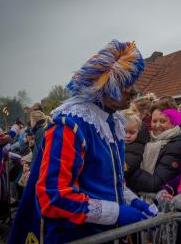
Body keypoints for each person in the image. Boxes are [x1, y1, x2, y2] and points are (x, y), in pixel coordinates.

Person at [9, 40, 155, 243]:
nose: (134, 91)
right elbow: (54, 197)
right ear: (103, 85)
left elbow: (108, 183)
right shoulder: (69, 127)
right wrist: (116, 213)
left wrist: (133, 201)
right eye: (125, 83)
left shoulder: (112, 123)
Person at [126, 105, 181, 193]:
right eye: (154, 121)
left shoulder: (177, 145)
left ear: (173, 122)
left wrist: (128, 171)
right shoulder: (149, 140)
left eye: (163, 121)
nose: (157, 125)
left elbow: (156, 184)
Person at [122, 110, 149, 181]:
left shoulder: (137, 148)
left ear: (138, 132)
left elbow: (126, 168)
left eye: (132, 132)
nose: (127, 136)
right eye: (124, 131)